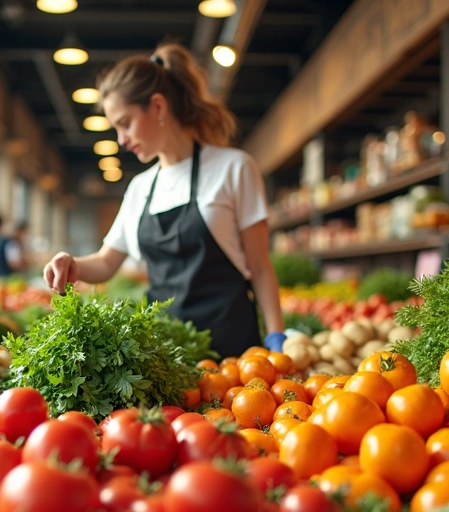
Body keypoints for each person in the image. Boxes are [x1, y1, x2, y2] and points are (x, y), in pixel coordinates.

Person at [43, 44, 285, 357]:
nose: (121, 140)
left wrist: (277, 337)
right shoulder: (140, 188)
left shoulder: (233, 168)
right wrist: (71, 263)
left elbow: (261, 268)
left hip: (234, 355)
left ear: (157, 107)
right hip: (164, 357)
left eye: (125, 123)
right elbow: (105, 263)